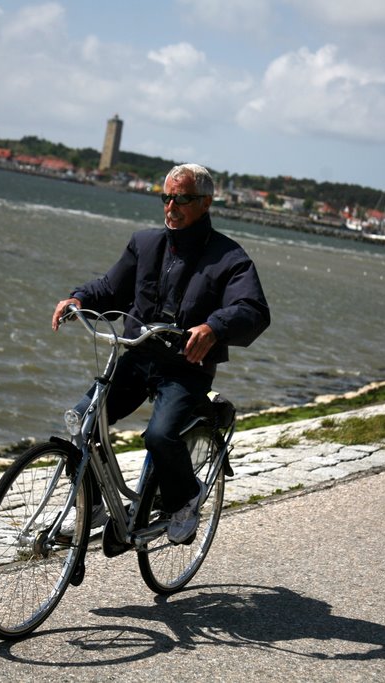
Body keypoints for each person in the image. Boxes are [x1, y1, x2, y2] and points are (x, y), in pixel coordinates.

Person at [52, 163, 270, 544]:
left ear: (205, 202)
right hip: (137, 356)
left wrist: (214, 327)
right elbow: (110, 287)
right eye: (166, 197)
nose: (171, 206)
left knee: (159, 436)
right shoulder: (145, 243)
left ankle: (185, 497)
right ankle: (95, 506)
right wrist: (78, 299)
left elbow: (253, 309)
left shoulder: (230, 257)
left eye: (182, 198)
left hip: (186, 367)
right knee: (82, 422)